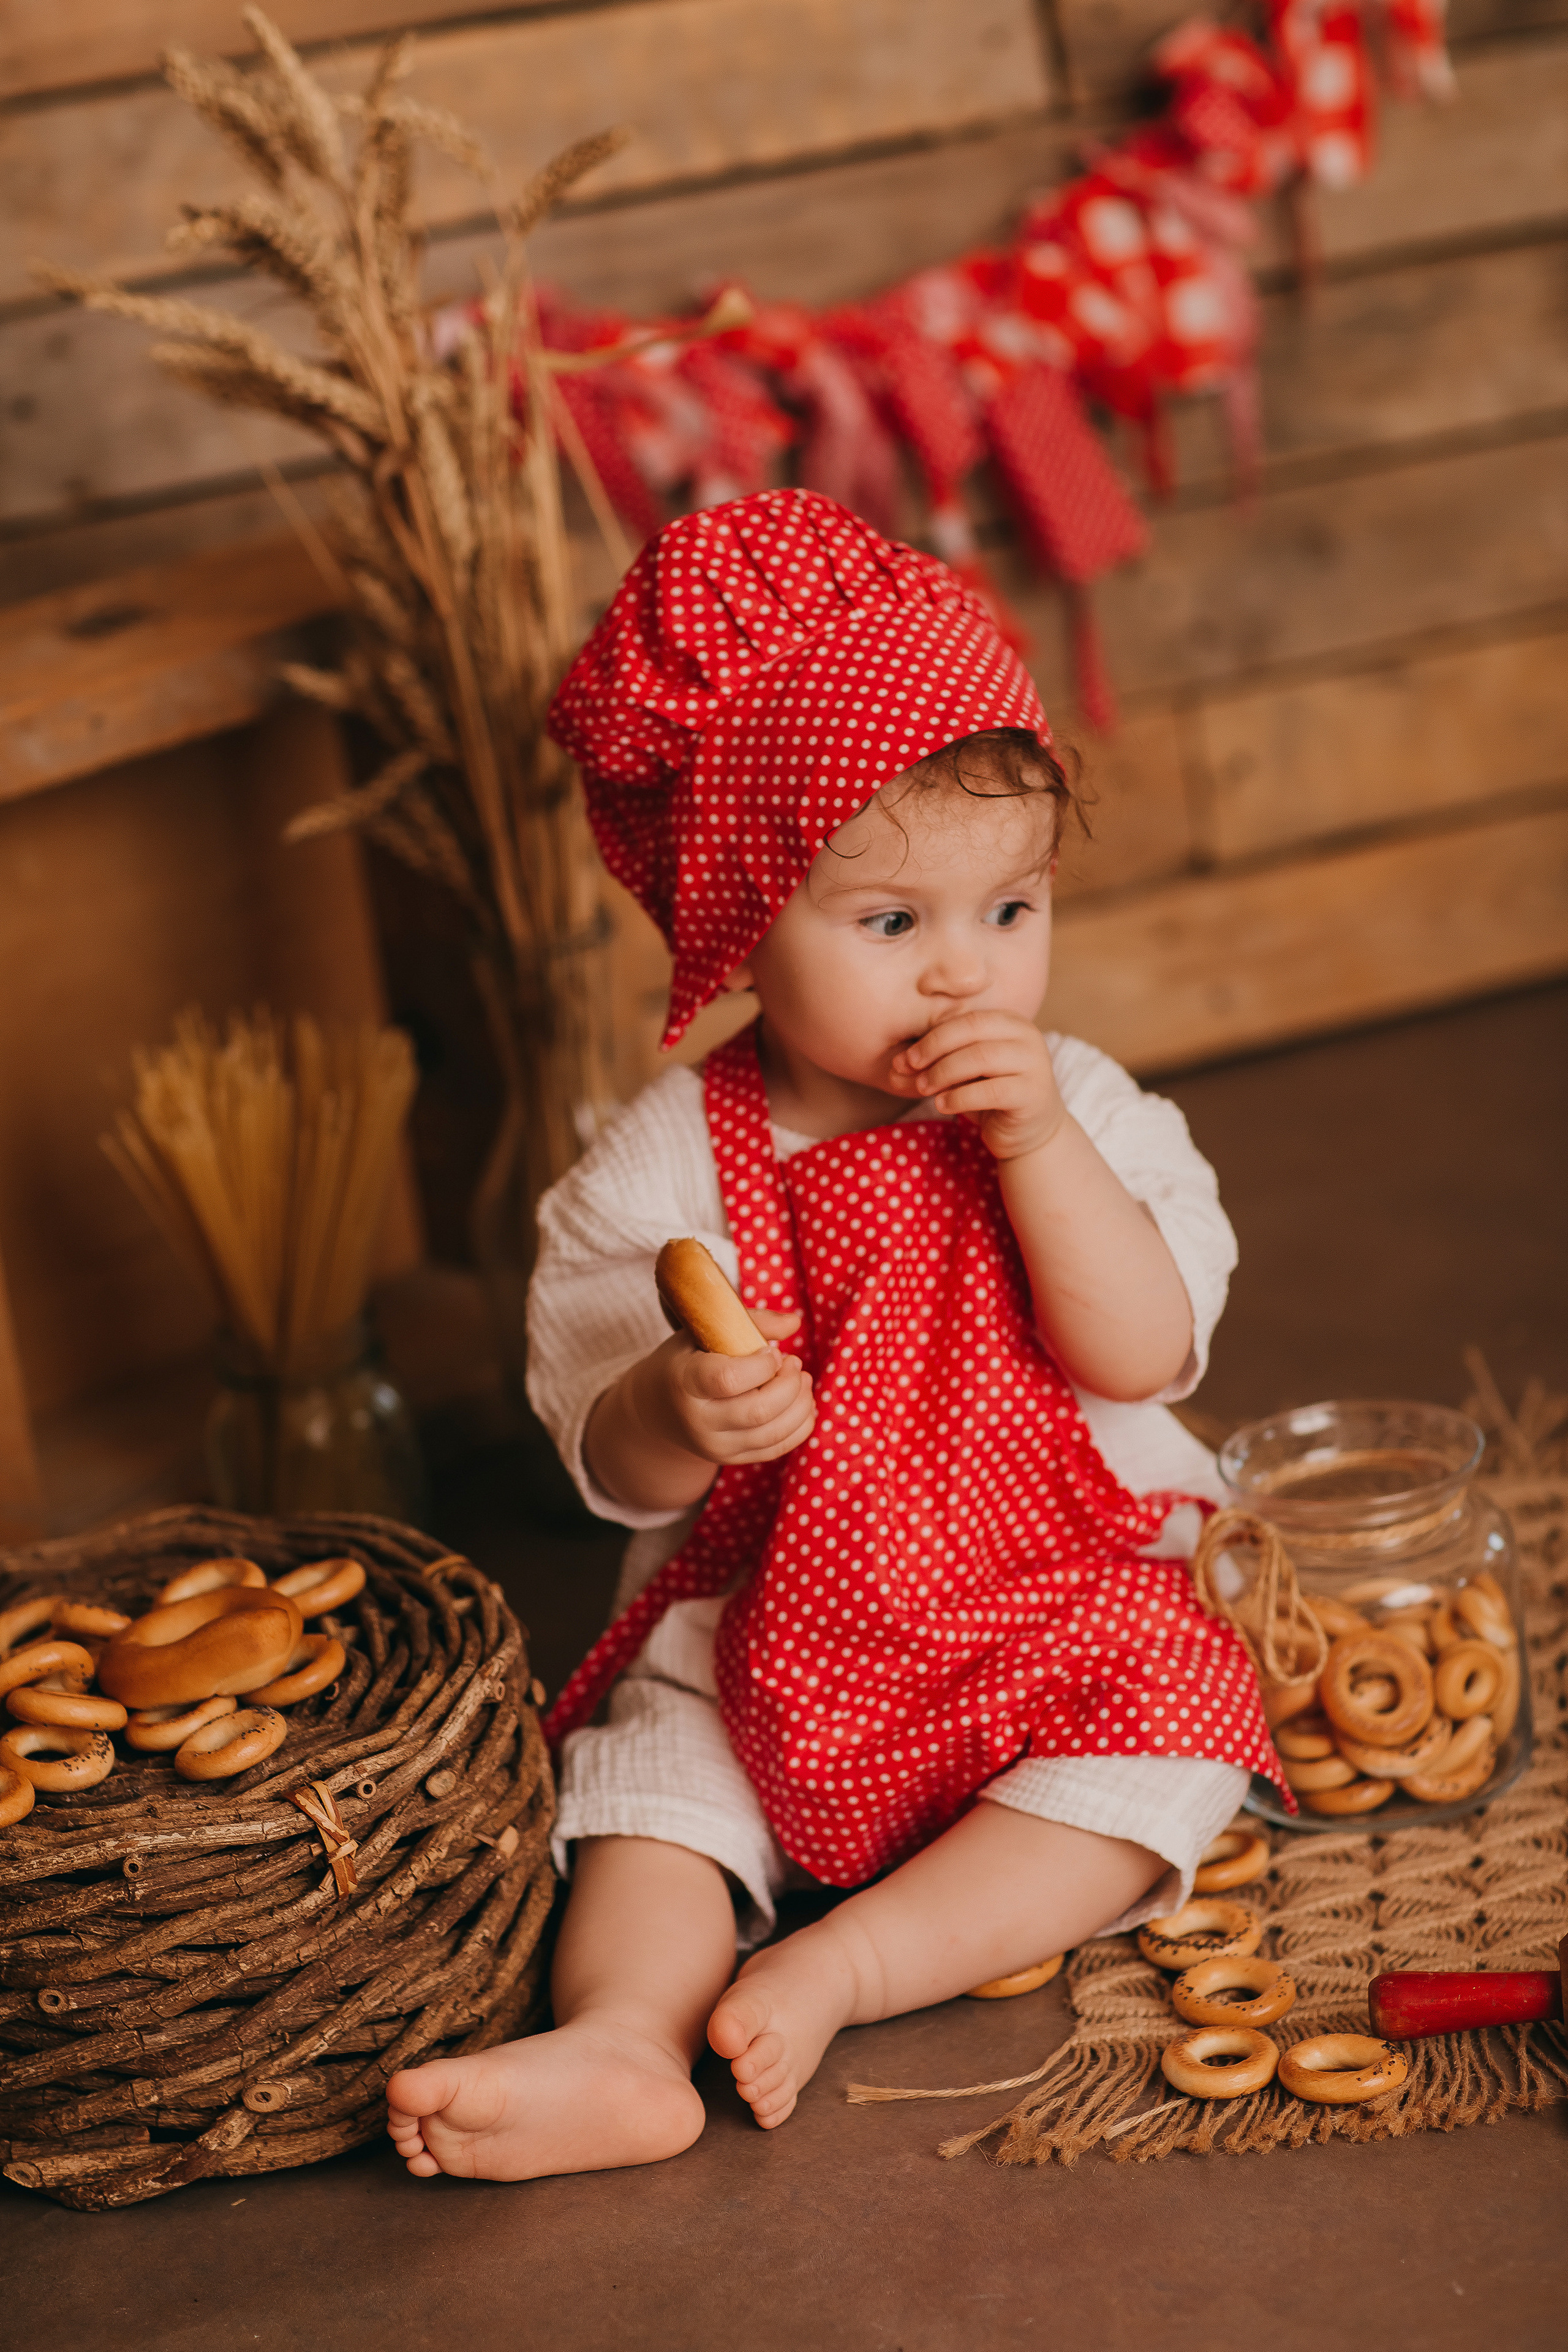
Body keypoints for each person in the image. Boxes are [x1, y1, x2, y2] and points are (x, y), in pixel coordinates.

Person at [387, 489, 1284, 2182]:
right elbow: (596, 1436)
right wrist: (675, 1403)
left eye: (1009, 913)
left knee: (1179, 1726)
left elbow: (1142, 1350)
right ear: (740, 923)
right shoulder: (665, 1163)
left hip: (1050, 1610)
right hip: (776, 1630)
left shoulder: (1078, 1105)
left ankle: (850, 1960)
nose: (966, 980)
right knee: (649, 1784)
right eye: (893, 927)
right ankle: (629, 2039)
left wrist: (1040, 1155)